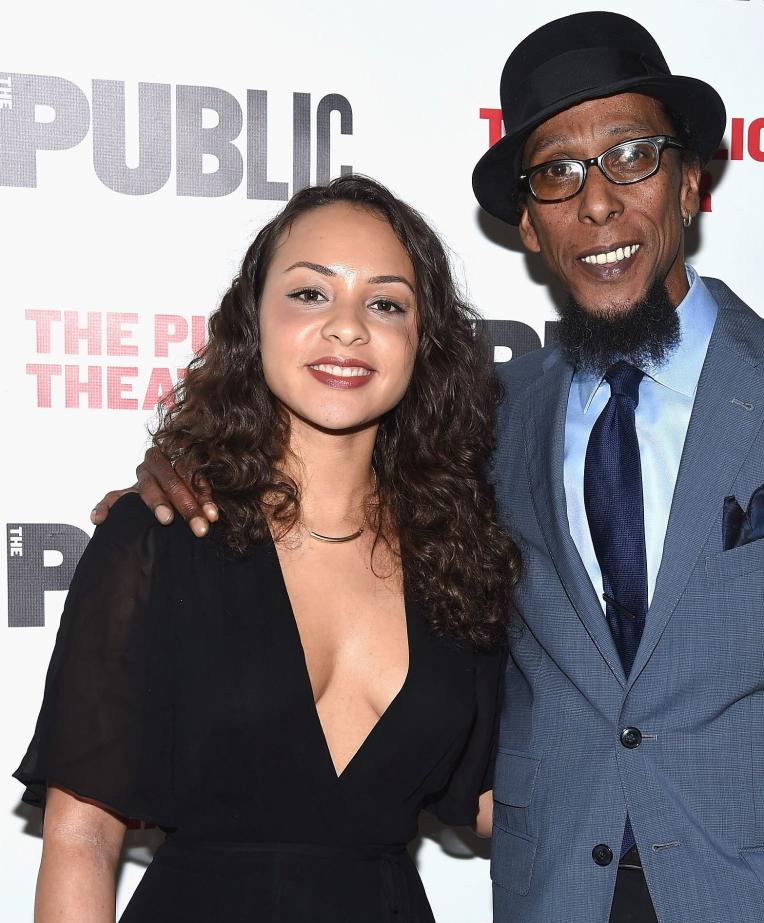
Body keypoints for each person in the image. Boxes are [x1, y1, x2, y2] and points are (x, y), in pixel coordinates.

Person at [97, 12, 764, 923]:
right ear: (531, 229)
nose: (597, 202)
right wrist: (178, 482)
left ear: (691, 182)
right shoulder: (485, 419)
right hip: (559, 898)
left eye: (632, 155)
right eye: (558, 174)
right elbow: (323, 487)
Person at [16, 175, 520, 923]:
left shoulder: (458, 557)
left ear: (422, 340)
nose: (347, 328)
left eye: (385, 302)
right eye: (310, 294)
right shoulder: (159, 539)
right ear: (254, 318)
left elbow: (495, 803)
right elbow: (84, 836)